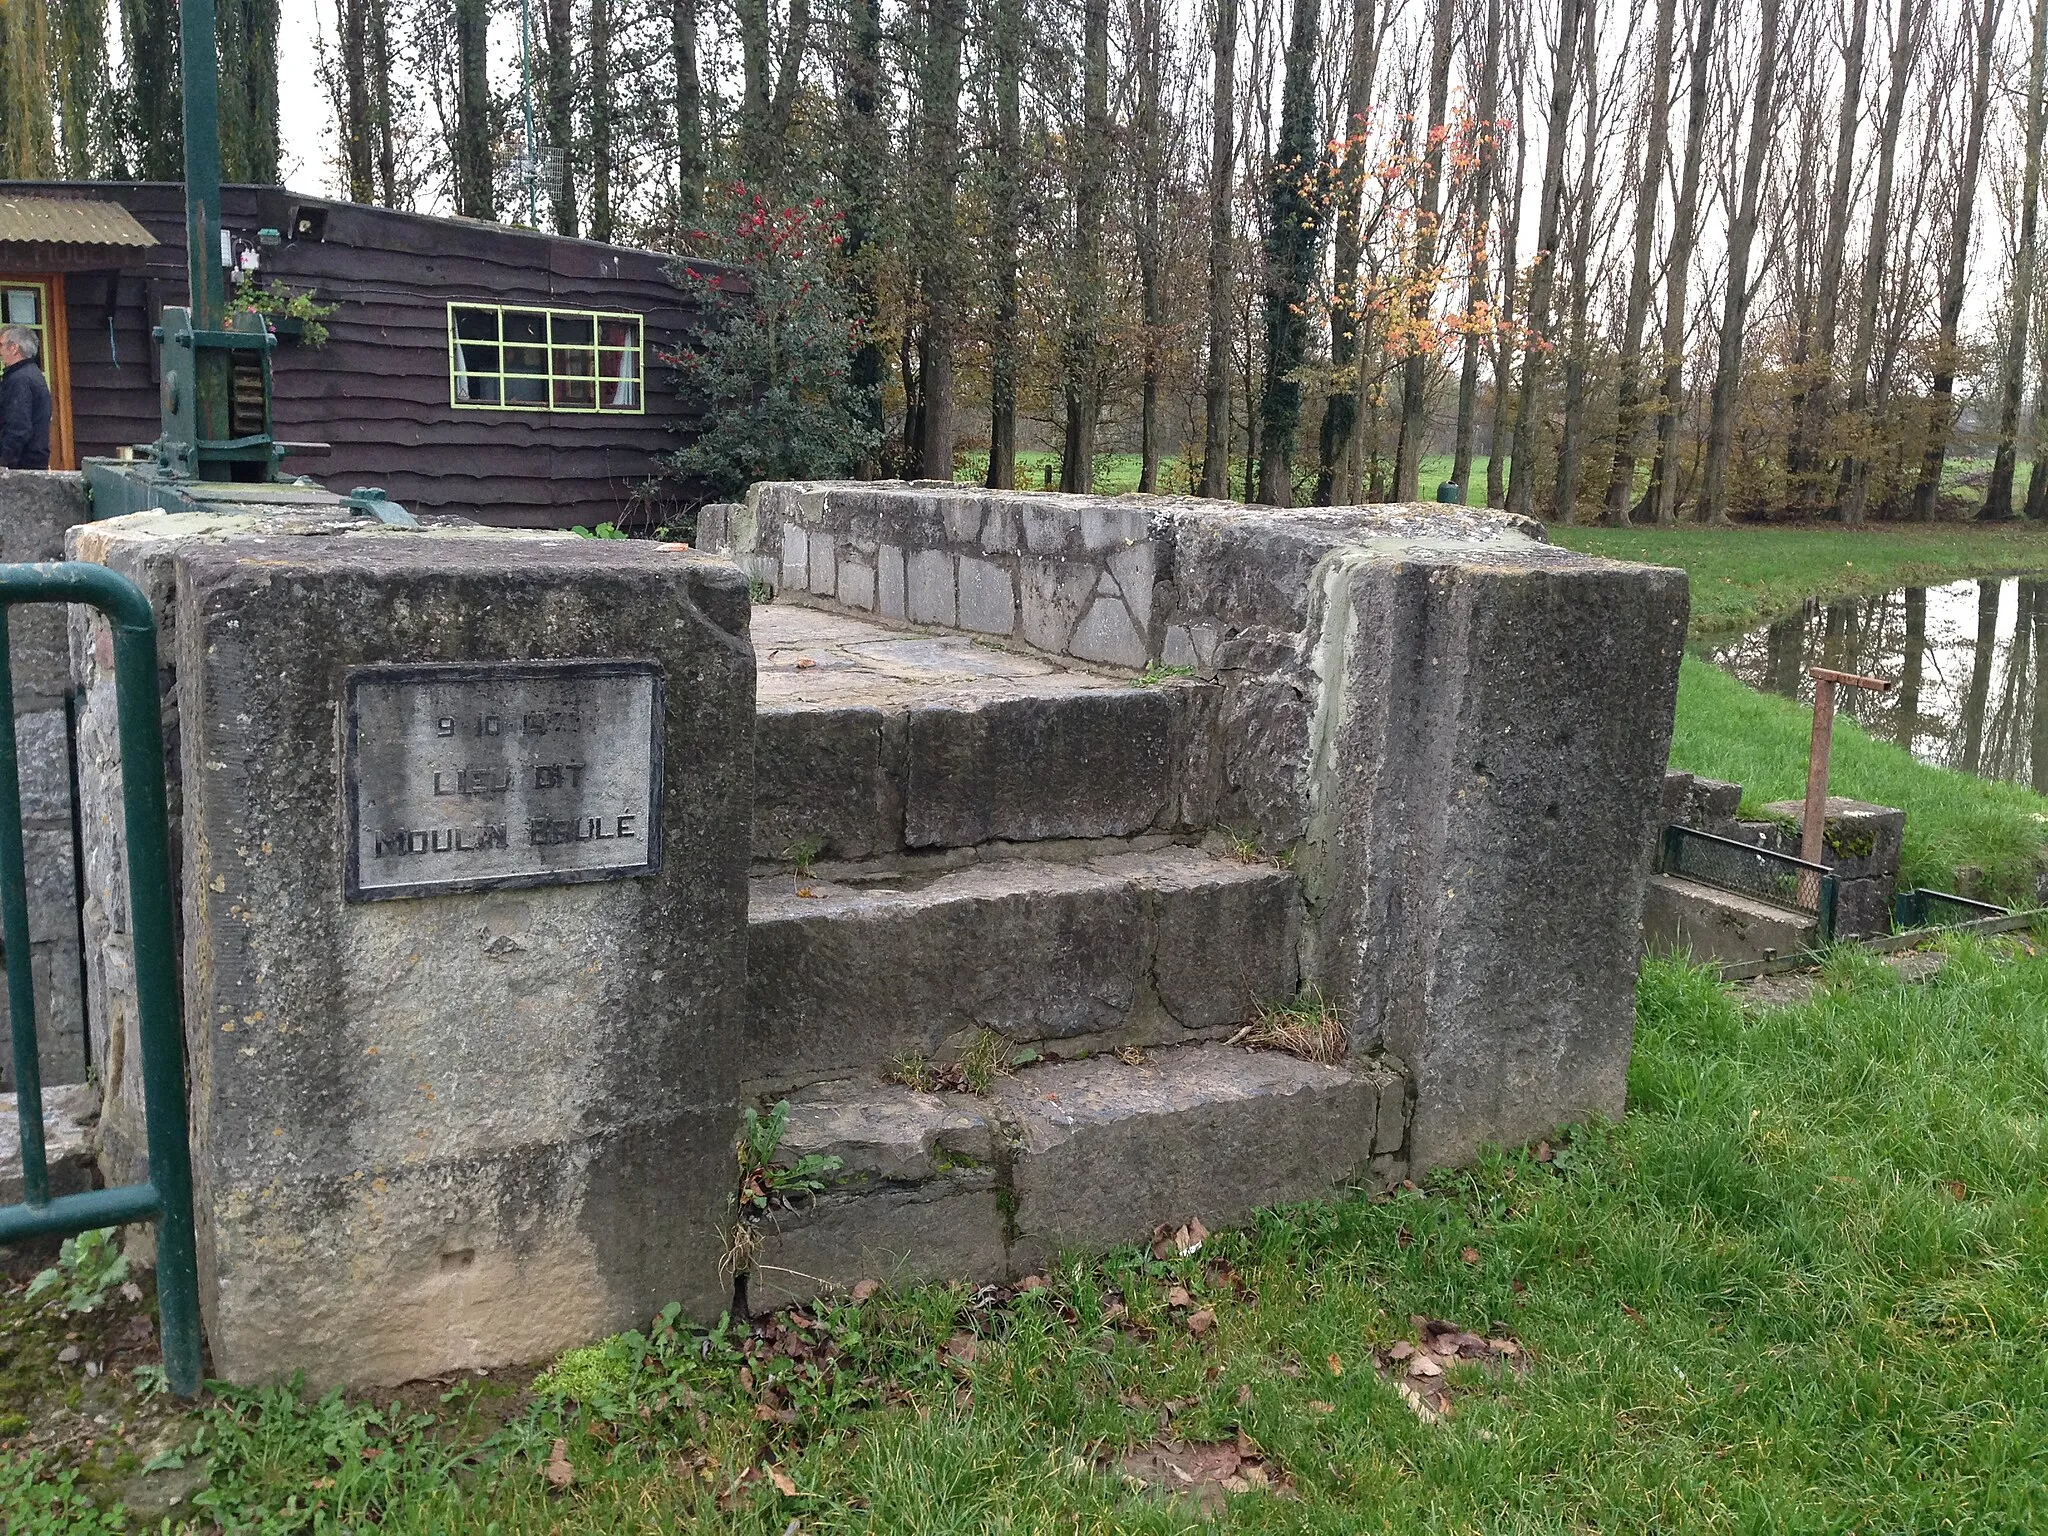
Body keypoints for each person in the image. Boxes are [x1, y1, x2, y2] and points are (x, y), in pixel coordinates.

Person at [0, 324, 52, 470]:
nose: (0, 351)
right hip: (34, 461)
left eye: (1, 345)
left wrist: (4, 462)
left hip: (21, 464)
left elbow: (18, 426)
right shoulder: (33, 374)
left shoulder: (19, 379)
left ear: (14, 348)